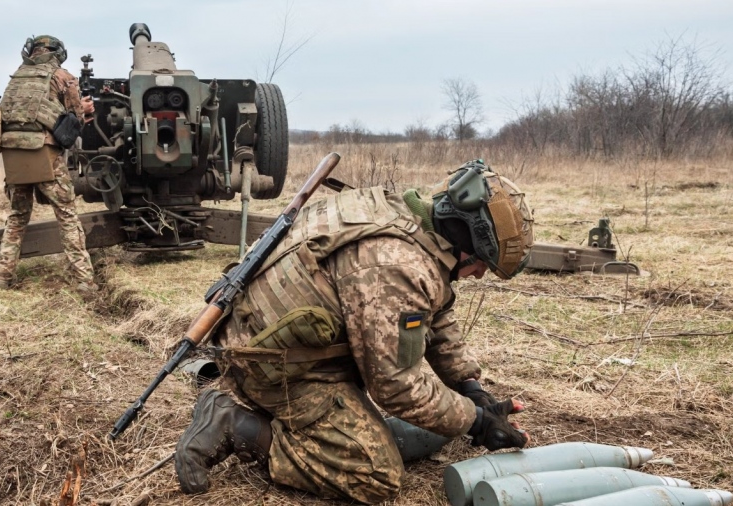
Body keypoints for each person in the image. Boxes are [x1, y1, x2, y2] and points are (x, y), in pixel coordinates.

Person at [175, 160, 535, 504]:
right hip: (273, 369)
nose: (479, 275)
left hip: (269, 340)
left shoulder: (402, 216)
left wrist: (468, 385)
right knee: (376, 474)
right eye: (481, 265)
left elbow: (435, 309)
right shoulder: (397, 265)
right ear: (468, 242)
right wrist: (474, 421)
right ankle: (235, 424)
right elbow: (395, 387)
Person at [0, 35, 97, 292]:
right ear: (57, 52)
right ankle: (85, 282)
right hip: (45, 154)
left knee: (17, 217)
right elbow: (74, 120)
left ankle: (2, 278)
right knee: (67, 217)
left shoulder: (16, 77)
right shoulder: (62, 76)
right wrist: (85, 109)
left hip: (14, 156)